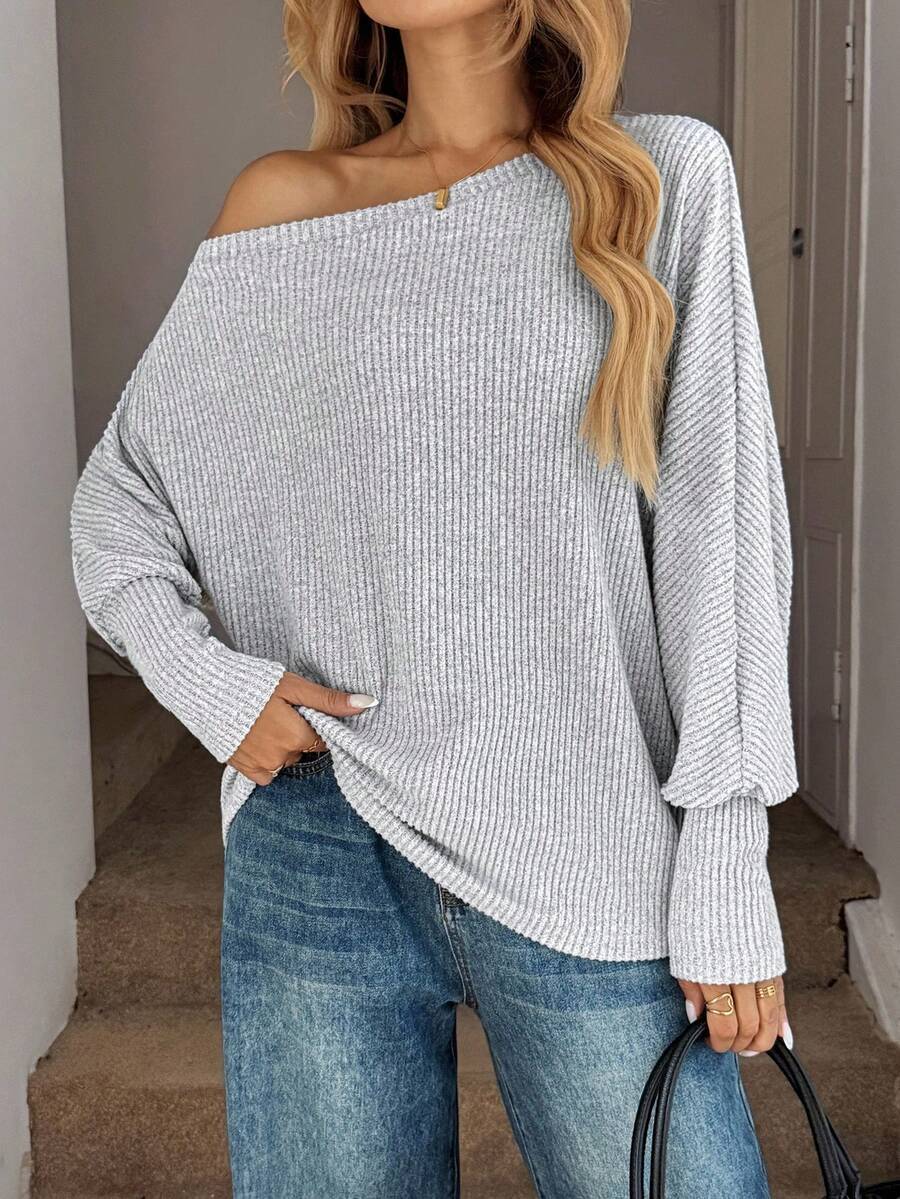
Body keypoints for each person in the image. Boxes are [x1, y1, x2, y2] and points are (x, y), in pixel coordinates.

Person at [69, 1, 800, 1195]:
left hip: (587, 834)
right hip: (322, 830)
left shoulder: (662, 181)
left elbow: (721, 547)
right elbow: (121, 499)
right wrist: (213, 686)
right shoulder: (285, 204)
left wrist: (725, 852)